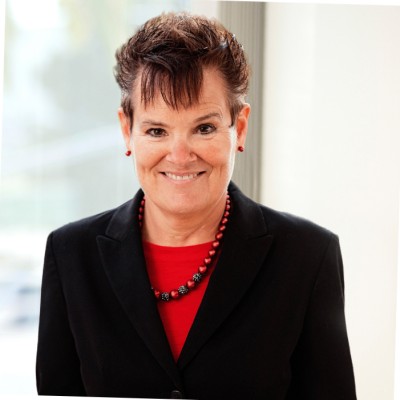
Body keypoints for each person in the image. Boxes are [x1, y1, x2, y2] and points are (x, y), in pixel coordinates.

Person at [36, 12, 357, 399]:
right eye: (157, 130)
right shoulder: (71, 255)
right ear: (127, 131)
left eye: (204, 128)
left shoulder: (307, 255)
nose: (180, 155)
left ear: (239, 128)